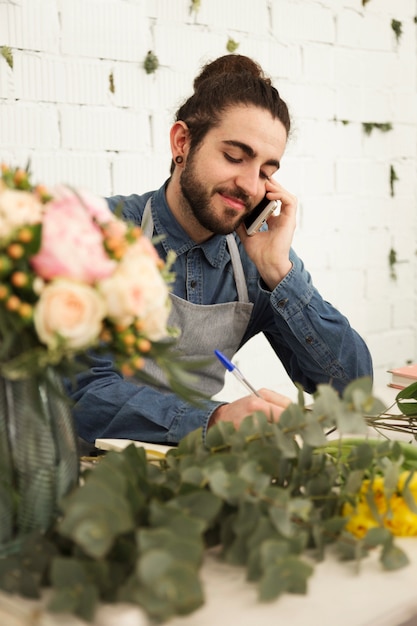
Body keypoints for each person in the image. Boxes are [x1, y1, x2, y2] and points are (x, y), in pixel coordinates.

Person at [69, 54, 373, 445]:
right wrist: (215, 421)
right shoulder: (95, 232)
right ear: (182, 142)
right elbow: (80, 395)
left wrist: (280, 272)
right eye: (234, 157)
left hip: (189, 479)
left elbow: (354, 389)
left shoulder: (258, 262)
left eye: (266, 173)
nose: (250, 185)